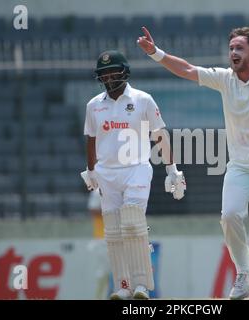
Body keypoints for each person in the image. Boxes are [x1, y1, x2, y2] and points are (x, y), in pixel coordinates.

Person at [137, 15, 249, 300]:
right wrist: (156, 53)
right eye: (231, 48)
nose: (233, 53)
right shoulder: (225, 79)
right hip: (240, 163)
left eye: (239, 48)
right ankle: (245, 272)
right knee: (229, 216)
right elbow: (188, 69)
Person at [83, 50, 186, 300]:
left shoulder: (143, 100)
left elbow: (160, 135)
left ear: (124, 72)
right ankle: (123, 286)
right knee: (114, 231)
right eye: (104, 73)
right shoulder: (94, 105)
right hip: (107, 173)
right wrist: (91, 170)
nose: (108, 77)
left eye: (112, 72)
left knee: (132, 223)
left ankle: (141, 286)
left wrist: (172, 170)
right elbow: (91, 139)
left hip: (137, 168)